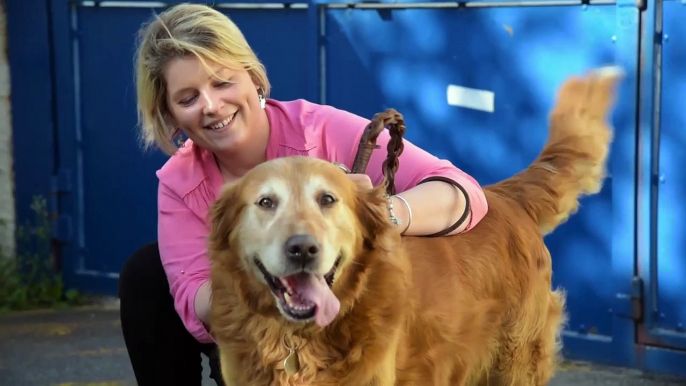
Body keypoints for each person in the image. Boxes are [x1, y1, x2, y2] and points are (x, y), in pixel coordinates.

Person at [118, 3, 489, 386]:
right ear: (170, 115)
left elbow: (462, 192)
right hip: (249, 335)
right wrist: (269, 281)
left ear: (253, 77)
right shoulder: (181, 182)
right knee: (144, 274)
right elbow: (195, 301)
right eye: (188, 98)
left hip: (349, 336)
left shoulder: (322, 131)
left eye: (222, 81)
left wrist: (379, 212)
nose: (211, 106)